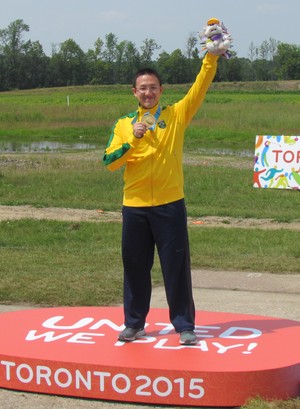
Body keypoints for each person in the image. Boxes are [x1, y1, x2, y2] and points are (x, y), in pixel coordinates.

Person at [103, 41, 219, 345]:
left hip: (170, 205)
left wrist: (211, 58)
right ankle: (134, 323)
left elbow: (199, 87)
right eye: (142, 88)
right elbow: (110, 163)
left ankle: (184, 326)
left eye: (152, 87)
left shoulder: (176, 114)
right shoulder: (124, 125)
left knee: (176, 267)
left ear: (161, 90)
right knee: (135, 266)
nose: (147, 93)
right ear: (134, 92)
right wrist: (133, 142)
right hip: (135, 207)